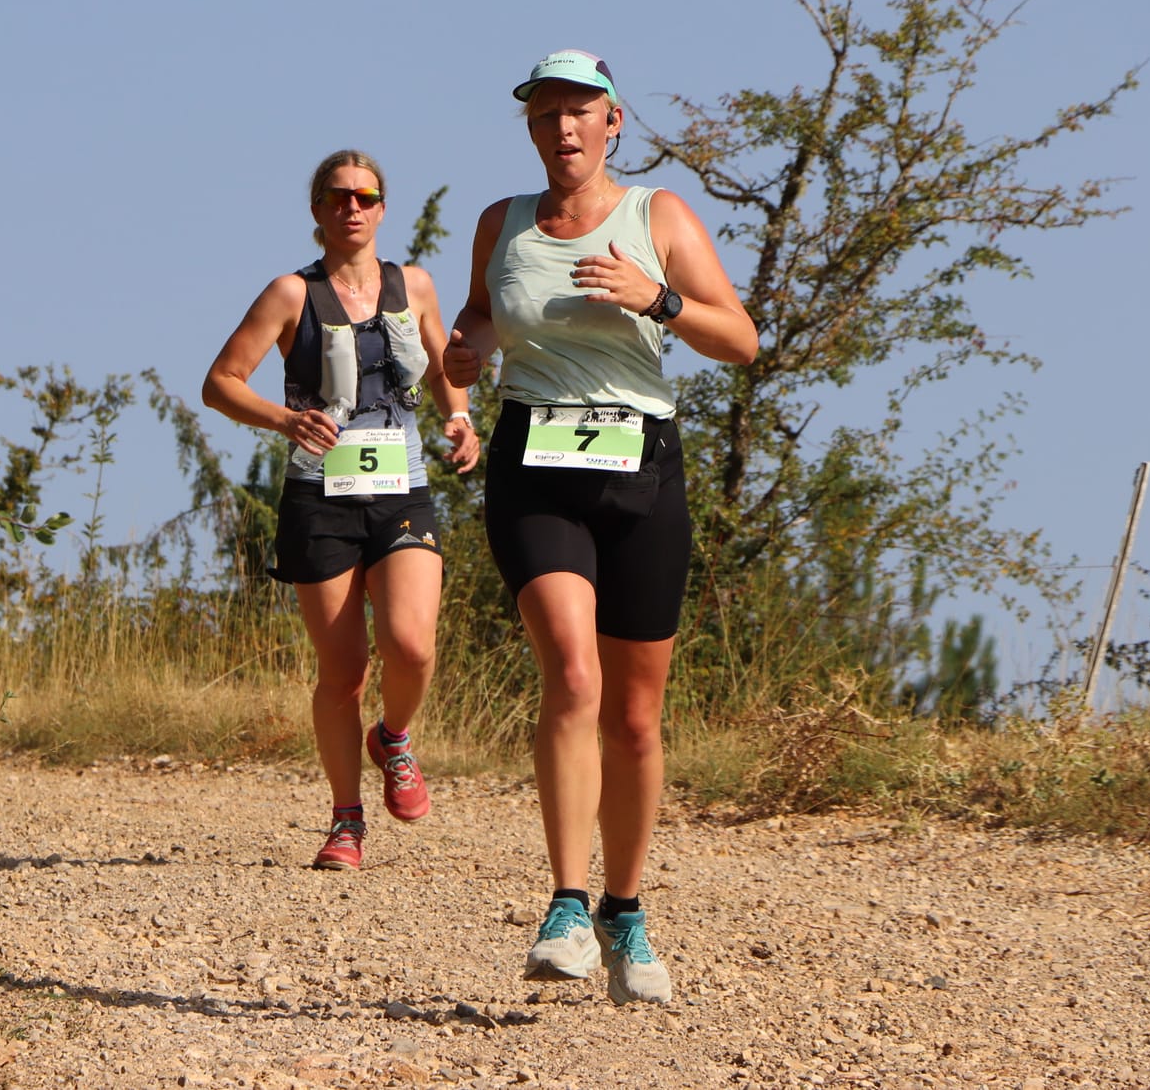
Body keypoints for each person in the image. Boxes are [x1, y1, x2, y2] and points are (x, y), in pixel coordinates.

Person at [444, 51, 757, 1001]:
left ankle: (626, 907)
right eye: (545, 115)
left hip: (641, 469)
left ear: (613, 121)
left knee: (633, 714)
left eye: (580, 112)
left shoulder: (658, 217)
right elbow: (471, 331)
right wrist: (459, 372)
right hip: (534, 462)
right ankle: (568, 905)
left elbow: (739, 340)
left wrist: (656, 298)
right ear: (532, 130)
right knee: (571, 674)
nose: (563, 129)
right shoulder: (501, 224)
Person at [204, 149, 479, 870]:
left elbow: (445, 365)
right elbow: (221, 382)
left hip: (401, 491)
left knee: (411, 644)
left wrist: (460, 416)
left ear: (383, 207)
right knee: (344, 669)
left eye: (365, 195)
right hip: (318, 496)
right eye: (337, 197)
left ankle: (393, 736)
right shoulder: (290, 294)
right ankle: (346, 819)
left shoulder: (413, 284)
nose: (352, 208)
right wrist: (282, 419)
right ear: (318, 209)